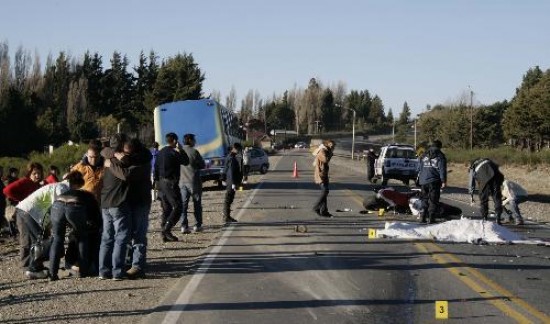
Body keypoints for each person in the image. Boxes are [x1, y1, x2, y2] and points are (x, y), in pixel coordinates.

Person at [13, 172, 72, 279]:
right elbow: (58, 208)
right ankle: (33, 269)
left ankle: (36, 267)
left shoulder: (58, 186)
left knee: (37, 241)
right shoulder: (62, 188)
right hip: (30, 212)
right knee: (41, 242)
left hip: (25, 210)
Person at [108, 138, 152, 279]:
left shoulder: (142, 162)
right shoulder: (135, 159)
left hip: (140, 202)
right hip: (128, 202)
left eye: (126, 153)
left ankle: (137, 266)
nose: (123, 155)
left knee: (138, 235)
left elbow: (126, 175)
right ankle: (130, 263)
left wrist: (111, 164)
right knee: (128, 235)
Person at [49, 171, 101, 280]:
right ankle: (83, 271)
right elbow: (96, 217)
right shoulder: (87, 195)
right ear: (80, 184)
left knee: (57, 238)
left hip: (57, 205)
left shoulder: (63, 191)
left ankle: (52, 274)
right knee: (82, 238)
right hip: (75, 205)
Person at [99, 133, 132, 280]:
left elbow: (103, 150)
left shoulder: (107, 157)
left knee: (106, 238)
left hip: (105, 202)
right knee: (121, 237)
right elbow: (126, 174)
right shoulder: (120, 160)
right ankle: (117, 271)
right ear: (122, 145)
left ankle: (103, 271)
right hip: (118, 202)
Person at [154, 133, 189, 242]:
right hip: (170, 183)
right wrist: (181, 150)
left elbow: (155, 168)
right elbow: (186, 161)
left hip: (160, 183)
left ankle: (164, 234)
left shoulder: (160, 153)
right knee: (177, 206)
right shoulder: (174, 153)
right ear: (175, 141)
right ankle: (167, 230)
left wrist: (156, 183)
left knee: (166, 208)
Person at [179, 134, 206, 234]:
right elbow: (202, 165)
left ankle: (183, 226)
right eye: (194, 139)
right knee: (197, 204)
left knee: (183, 205)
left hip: (182, 182)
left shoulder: (179, 152)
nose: (195, 141)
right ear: (190, 140)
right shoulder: (194, 151)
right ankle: (197, 225)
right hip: (194, 181)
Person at [416, 140, 447, 224]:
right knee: (433, 200)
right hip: (434, 181)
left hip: (423, 181)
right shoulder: (440, 156)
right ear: (440, 147)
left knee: (424, 199)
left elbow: (418, 168)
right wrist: (444, 181)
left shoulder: (423, 155)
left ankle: (422, 218)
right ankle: (431, 218)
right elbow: (442, 170)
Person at [469, 158, 504, 224]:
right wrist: (499, 184)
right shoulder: (490, 161)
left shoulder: (473, 166)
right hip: (495, 177)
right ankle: (498, 218)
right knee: (497, 198)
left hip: (484, 180)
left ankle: (484, 218)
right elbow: (499, 173)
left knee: (483, 200)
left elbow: (471, 182)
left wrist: (471, 195)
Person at [312, 140, 335, 217]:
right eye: (331, 145)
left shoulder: (326, 150)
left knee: (325, 192)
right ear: (327, 144)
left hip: (324, 174)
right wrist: (331, 154)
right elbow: (325, 160)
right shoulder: (322, 151)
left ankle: (323, 211)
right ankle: (316, 207)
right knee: (325, 191)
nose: (333, 146)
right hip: (320, 174)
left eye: (333, 145)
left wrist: (330, 153)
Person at [222, 143, 243, 223]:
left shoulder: (230, 156)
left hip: (230, 181)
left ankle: (227, 216)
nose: (239, 151)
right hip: (231, 182)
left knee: (229, 199)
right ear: (234, 148)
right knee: (228, 199)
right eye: (238, 149)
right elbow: (230, 171)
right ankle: (226, 217)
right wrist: (233, 183)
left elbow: (225, 169)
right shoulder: (231, 158)